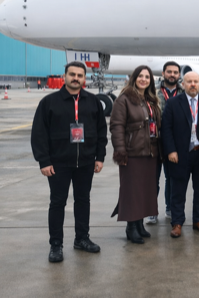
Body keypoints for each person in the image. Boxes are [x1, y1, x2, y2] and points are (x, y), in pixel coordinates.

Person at [31, 61, 107, 263]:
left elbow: (101, 131)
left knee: (83, 201)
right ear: (64, 76)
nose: (76, 78)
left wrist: (99, 157)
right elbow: (39, 133)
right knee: (58, 203)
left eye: (80, 75)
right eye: (72, 74)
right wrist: (44, 161)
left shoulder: (93, 102)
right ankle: (56, 244)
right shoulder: (49, 102)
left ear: (84, 78)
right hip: (58, 164)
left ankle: (82, 238)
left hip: (85, 162)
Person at [162, 72, 199, 237]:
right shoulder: (173, 103)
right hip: (180, 154)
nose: (193, 84)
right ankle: (177, 223)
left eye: (196, 81)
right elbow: (166, 129)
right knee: (178, 190)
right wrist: (171, 151)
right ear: (183, 84)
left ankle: (198, 220)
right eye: (189, 81)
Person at [110, 65, 161, 244]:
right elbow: (117, 126)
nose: (143, 80)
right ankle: (131, 227)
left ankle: (139, 224)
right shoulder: (124, 99)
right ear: (134, 78)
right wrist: (121, 152)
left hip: (150, 152)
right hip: (132, 153)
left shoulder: (150, 99)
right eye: (140, 76)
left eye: (147, 77)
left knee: (144, 191)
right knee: (132, 191)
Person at [148, 61, 184, 225]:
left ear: (179, 75)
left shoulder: (183, 93)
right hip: (154, 141)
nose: (172, 75)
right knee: (153, 178)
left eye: (175, 72)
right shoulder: (152, 92)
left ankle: (170, 208)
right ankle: (151, 211)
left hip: (174, 142)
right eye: (169, 72)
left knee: (172, 178)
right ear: (163, 74)